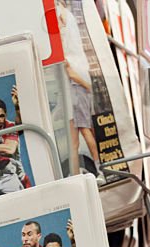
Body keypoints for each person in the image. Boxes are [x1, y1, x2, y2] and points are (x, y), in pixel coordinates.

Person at [56, 0, 103, 181]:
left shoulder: (63, 17)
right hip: (75, 88)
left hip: (76, 88)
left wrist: (85, 85)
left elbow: (71, 72)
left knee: (83, 131)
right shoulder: (69, 17)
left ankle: (100, 171)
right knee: (74, 139)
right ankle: (75, 175)